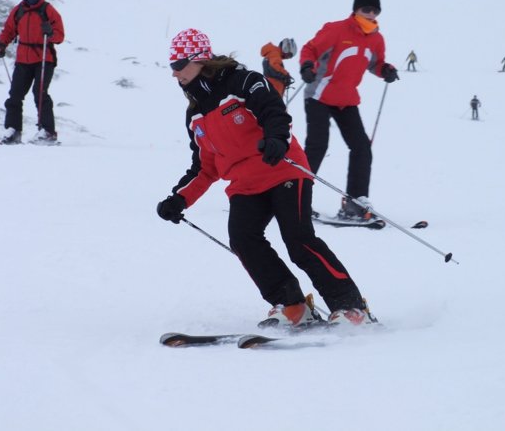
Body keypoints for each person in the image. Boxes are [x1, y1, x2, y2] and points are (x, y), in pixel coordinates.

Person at [156, 28, 377, 327]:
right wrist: (179, 198)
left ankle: (350, 307)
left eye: (178, 65)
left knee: (298, 240)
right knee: (243, 240)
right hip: (245, 185)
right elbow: (204, 167)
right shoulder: (194, 114)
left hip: (282, 168)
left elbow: (274, 112)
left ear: (199, 60)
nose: (174, 74)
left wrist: (276, 138)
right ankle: (292, 305)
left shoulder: (243, 81)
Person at [299, 0, 399, 222]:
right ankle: (294, 198)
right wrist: (306, 66)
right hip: (319, 96)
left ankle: (355, 203)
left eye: (375, 11)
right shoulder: (337, 30)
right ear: (356, 9)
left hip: (346, 100)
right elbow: (309, 49)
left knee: (362, 147)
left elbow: (375, 63)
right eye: (366, 9)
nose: (371, 14)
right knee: (317, 146)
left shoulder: (376, 39)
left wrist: (386, 70)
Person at [0, 0, 65, 145]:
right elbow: (9, 29)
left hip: (43, 58)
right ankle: (13, 130)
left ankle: (47, 131)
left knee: (39, 93)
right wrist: (2, 44)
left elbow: (60, 35)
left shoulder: (48, 10)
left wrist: (50, 33)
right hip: (23, 59)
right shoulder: (19, 10)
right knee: (15, 94)